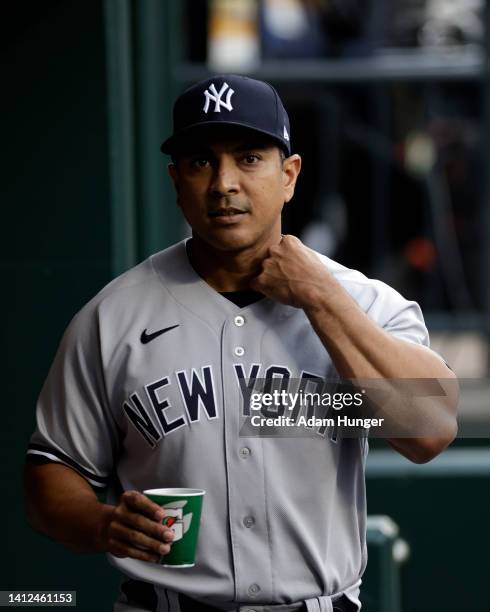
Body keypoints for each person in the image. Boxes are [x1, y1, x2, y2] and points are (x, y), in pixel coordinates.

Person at [24, 75, 458, 612]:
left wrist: (322, 300)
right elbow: (51, 472)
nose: (224, 183)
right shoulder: (112, 317)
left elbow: (430, 433)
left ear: (289, 176)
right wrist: (103, 523)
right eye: (201, 162)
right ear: (176, 180)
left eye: (250, 158)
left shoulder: (361, 303)